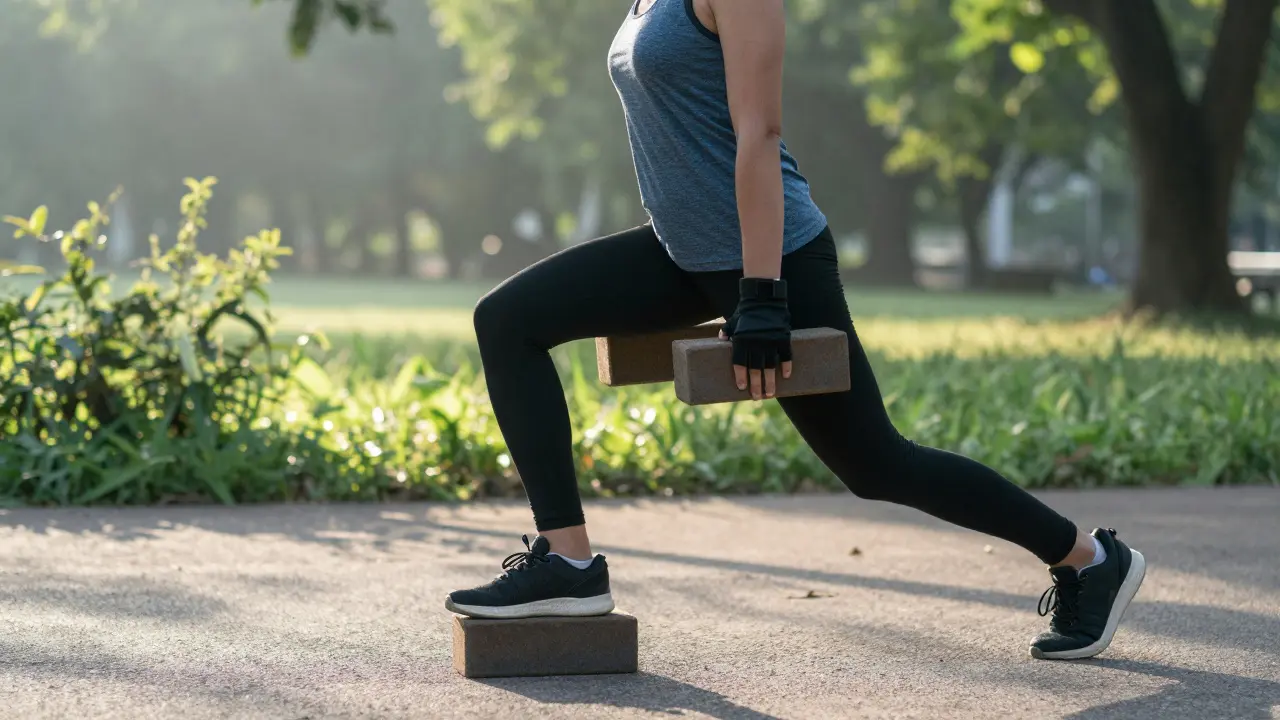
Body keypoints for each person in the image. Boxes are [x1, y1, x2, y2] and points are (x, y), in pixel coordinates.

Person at [445, 0, 1146, 661]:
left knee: (877, 465)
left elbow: (760, 131)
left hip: (773, 255)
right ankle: (569, 563)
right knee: (507, 320)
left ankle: (1090, 559)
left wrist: (761, 293)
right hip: (682, 252)